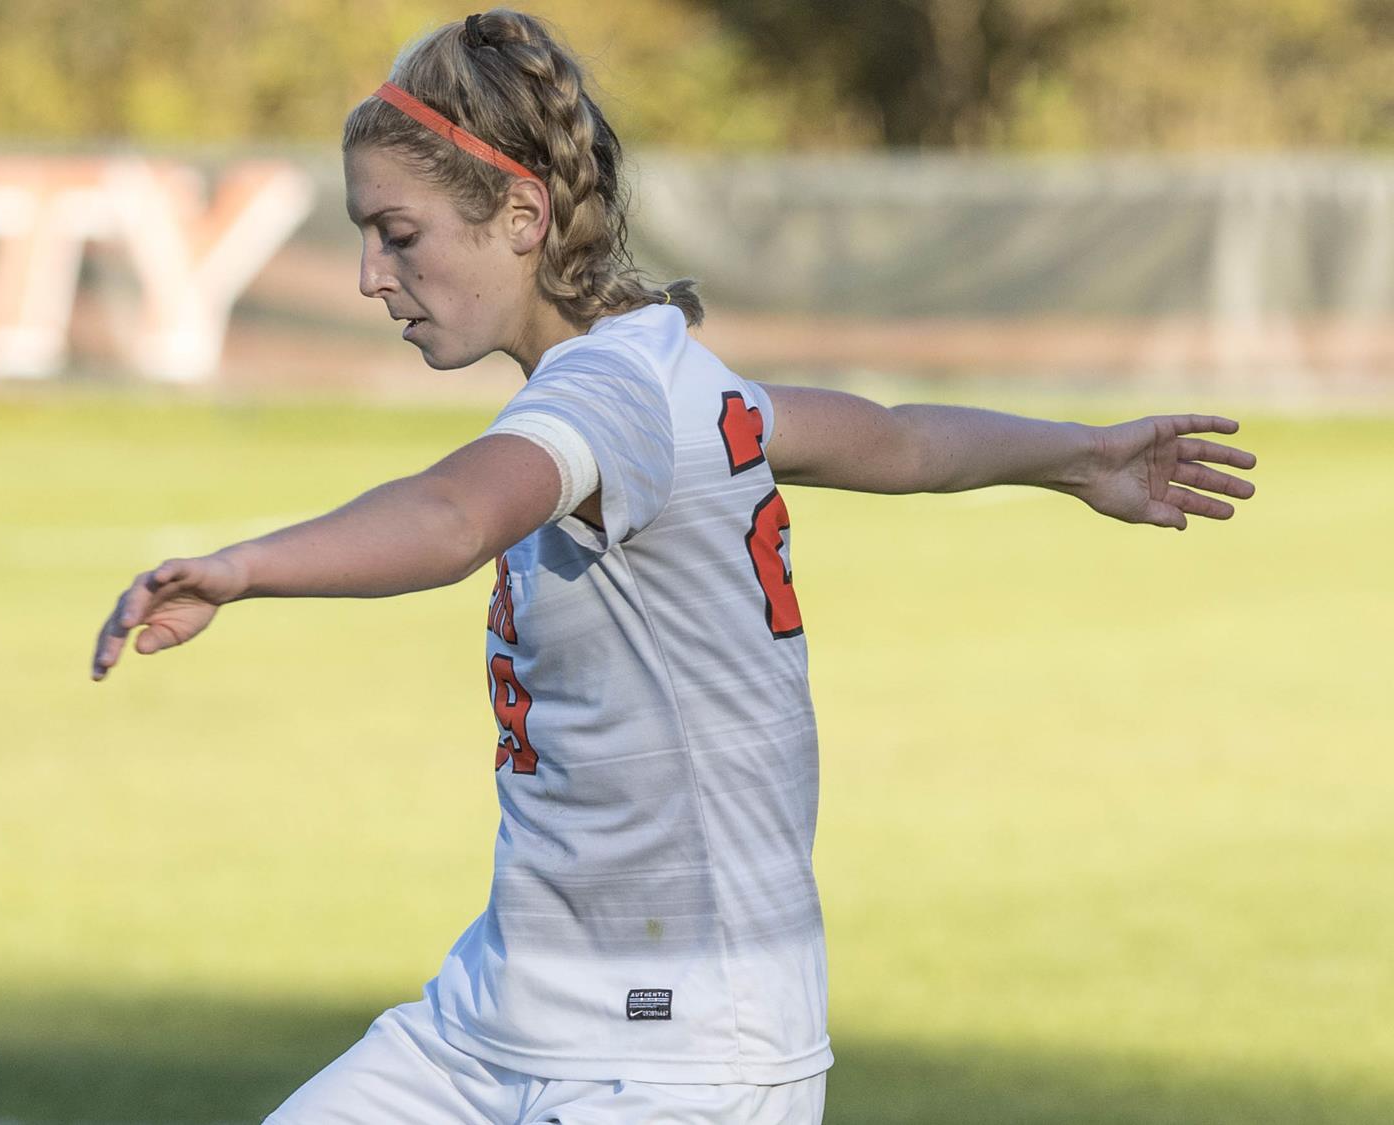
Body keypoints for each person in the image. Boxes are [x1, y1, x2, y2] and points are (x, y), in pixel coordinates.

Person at [90, 9, 1258, 1123]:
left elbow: (454, 518)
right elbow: (893, 438)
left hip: (680, 1055)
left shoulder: (608, 397)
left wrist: (244, 568)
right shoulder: (667, 371)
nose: (367, 275)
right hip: (497, 1017)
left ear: (519, 213)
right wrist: (1075, 456)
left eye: (397, 235)